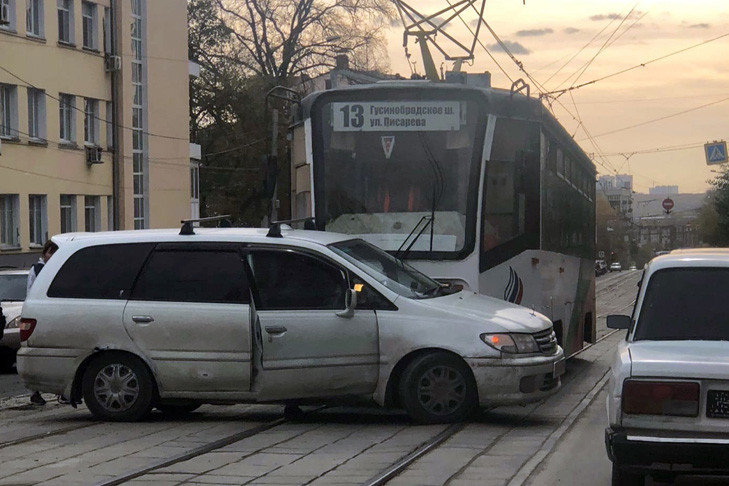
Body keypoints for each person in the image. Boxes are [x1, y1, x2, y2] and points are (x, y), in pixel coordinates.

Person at [27, 240, 58, 406]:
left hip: (57, 317)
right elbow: (30, 292)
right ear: (44, 253)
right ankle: (35, 391)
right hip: (41, 317)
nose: (51, 256)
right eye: (49, 252)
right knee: (37, 353)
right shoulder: (37, 270)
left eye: (54, 253)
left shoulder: (60, 269)